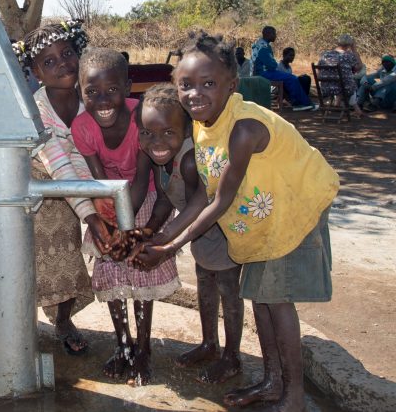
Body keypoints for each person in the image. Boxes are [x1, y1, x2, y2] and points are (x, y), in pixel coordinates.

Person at [131, 31, 337, 411]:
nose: (196, 94)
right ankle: (273, 382)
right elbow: (201, 197)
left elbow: (220, 201)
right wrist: (160, 238)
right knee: (260, 299)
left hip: (293, 214)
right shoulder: (204, 125)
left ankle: (292, 397)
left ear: (231, 84)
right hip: (267, 221)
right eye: (186, 85)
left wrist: (169, 247)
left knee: (276, 302)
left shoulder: (243, 128)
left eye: (208, 84)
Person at [71, 47, 180, 385]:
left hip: (142, 196)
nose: (103, 99)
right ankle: (123, 345)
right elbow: (100, 179)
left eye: (113, 90)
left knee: (139, 273)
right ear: (80, 92)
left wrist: (130, 231)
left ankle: (143, 350)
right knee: (112, 275)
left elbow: (143, 175)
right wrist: (109, 226)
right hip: (108, 200)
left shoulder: (140, 118)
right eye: (92, 92)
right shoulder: (82, 127)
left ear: (128, 86)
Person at [11, 21, 112, 356]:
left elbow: (90, 155)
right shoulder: (36, 111)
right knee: (43, 256)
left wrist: (98, 205)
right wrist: (92, 215)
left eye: (67, 53)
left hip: (76, 184)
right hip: (41, 188)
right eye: (49, 61)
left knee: (69, 251)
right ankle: (35, 325)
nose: (62, 64)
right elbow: (59, 163)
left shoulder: (92, 100)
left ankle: (63, 319)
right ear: (36, 72)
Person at [135, 83, 244, 384]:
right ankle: (210, 344)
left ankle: (232, 356)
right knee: (205, 283)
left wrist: (167, 239)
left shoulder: (187, 159)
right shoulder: (161, 158)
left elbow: (201, 203)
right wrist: (150, 231)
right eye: (147, 133)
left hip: (219, 228)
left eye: (167, 132)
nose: (155, 140)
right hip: (195, 233)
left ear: (185, 131)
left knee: (227, 289)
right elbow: (165, 197)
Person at [251, 26, 315, 111]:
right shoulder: (264, 47)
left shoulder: (258, 44)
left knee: (290, 78)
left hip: (259, 72)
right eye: (274, 33)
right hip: (263, 73)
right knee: (291, 78)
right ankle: (301, 103)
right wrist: (274, 63)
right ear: (267, 34)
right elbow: (271, 65)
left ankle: (301, 102)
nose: (275, 36)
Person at [317, 34, 365, 118]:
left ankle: (338, 104)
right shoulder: (348, 55)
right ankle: (357, 110)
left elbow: (319, 71)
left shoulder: (325, 54)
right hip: (342, 87)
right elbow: (359, 67)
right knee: (351, 83)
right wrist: (354, 50)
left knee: (343, 80)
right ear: (349, 44)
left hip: (326, 87)